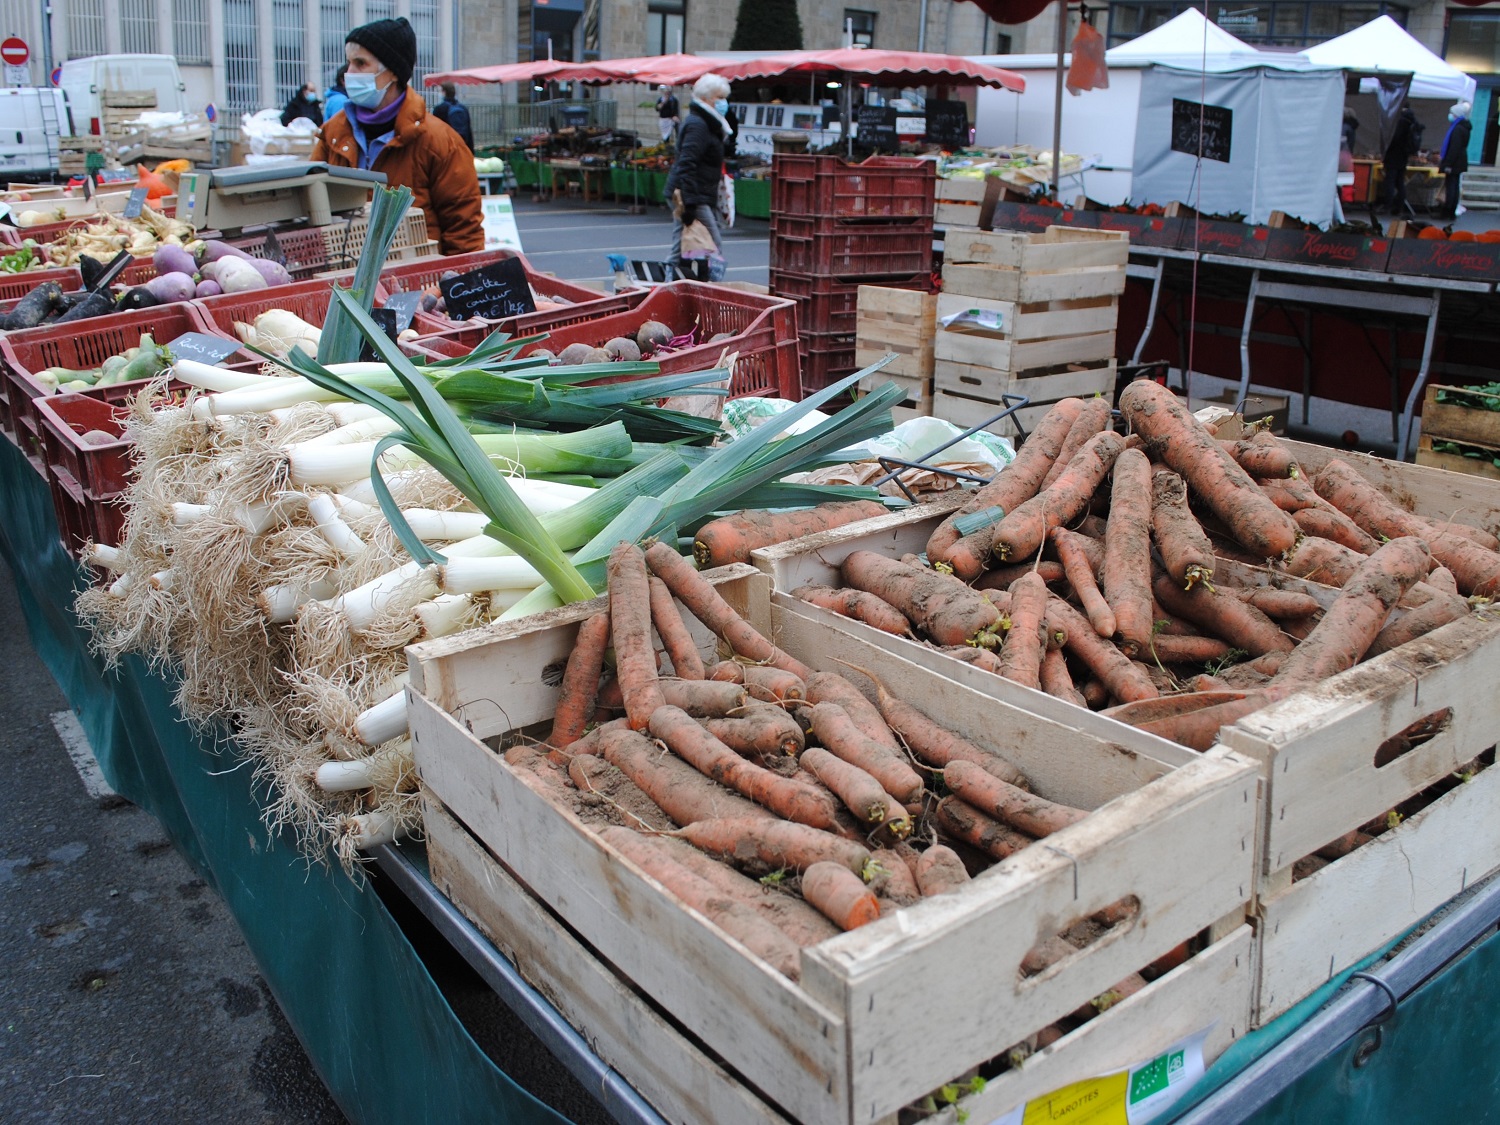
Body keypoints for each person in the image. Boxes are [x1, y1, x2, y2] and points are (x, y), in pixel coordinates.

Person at [312, 17, 483, 255]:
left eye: (361, 63)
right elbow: (311, 206)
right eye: (349, 63)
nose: (349, 73)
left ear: (392, 72)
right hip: (343, 278)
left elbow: (464, 233)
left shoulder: (441, 142)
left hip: (418, 282)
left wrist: (452, 287)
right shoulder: (332, 134)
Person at [664, 73, 733, 279]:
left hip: (691, 192)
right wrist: (691, 202)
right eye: (719, 97)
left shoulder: (708, 123)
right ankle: (710, 289)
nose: (723, 102)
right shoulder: (698, 124)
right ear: (706, 98)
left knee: (682, 242)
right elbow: (687, 163)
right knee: (712, 244)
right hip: (691, 193)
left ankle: (669, 285)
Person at [1383, 104, 1420, 215]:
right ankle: (1399, 205)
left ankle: (1388, 205)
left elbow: (1394, 139)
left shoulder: (1400, 122)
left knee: (1390, 181)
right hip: (1403, 156)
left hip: (1394, 155)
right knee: (1400, 182)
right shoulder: (1412, 122)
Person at [1438, 100, 1473, 220]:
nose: (1450, 116)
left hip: (1455, 162)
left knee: (1451, 186)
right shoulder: (1464, 128)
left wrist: (1447, 163)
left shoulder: (1457, 129)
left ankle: (1448, 210)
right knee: (1454, 185)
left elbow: (1454, 148)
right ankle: (1451, 210)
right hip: (1460, 161)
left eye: (1452, 113)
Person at [432, 82, 474, 152]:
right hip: (463, 148)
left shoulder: (439, 109)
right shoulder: (463, 108)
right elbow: (469, 131)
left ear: (444, 92)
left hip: (447, 149)